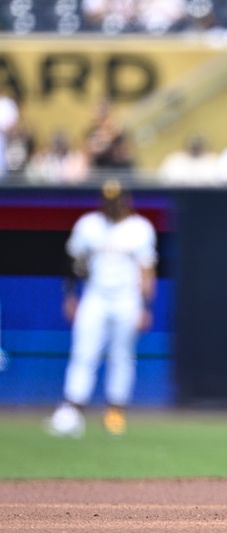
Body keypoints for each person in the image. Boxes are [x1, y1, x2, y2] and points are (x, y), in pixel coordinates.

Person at [46, 180, 157, 438]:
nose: (113, 205)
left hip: (127, 298)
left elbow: (147, 270)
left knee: (122, 355)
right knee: (83, 352)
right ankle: (73, 410)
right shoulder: (89, 225)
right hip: (95, 295)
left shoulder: (139, 228)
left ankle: (115, 412)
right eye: (109, 200)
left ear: (127, 201)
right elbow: (74, 262)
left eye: (118, 200)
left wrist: (145, 306)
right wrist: (70, 296)